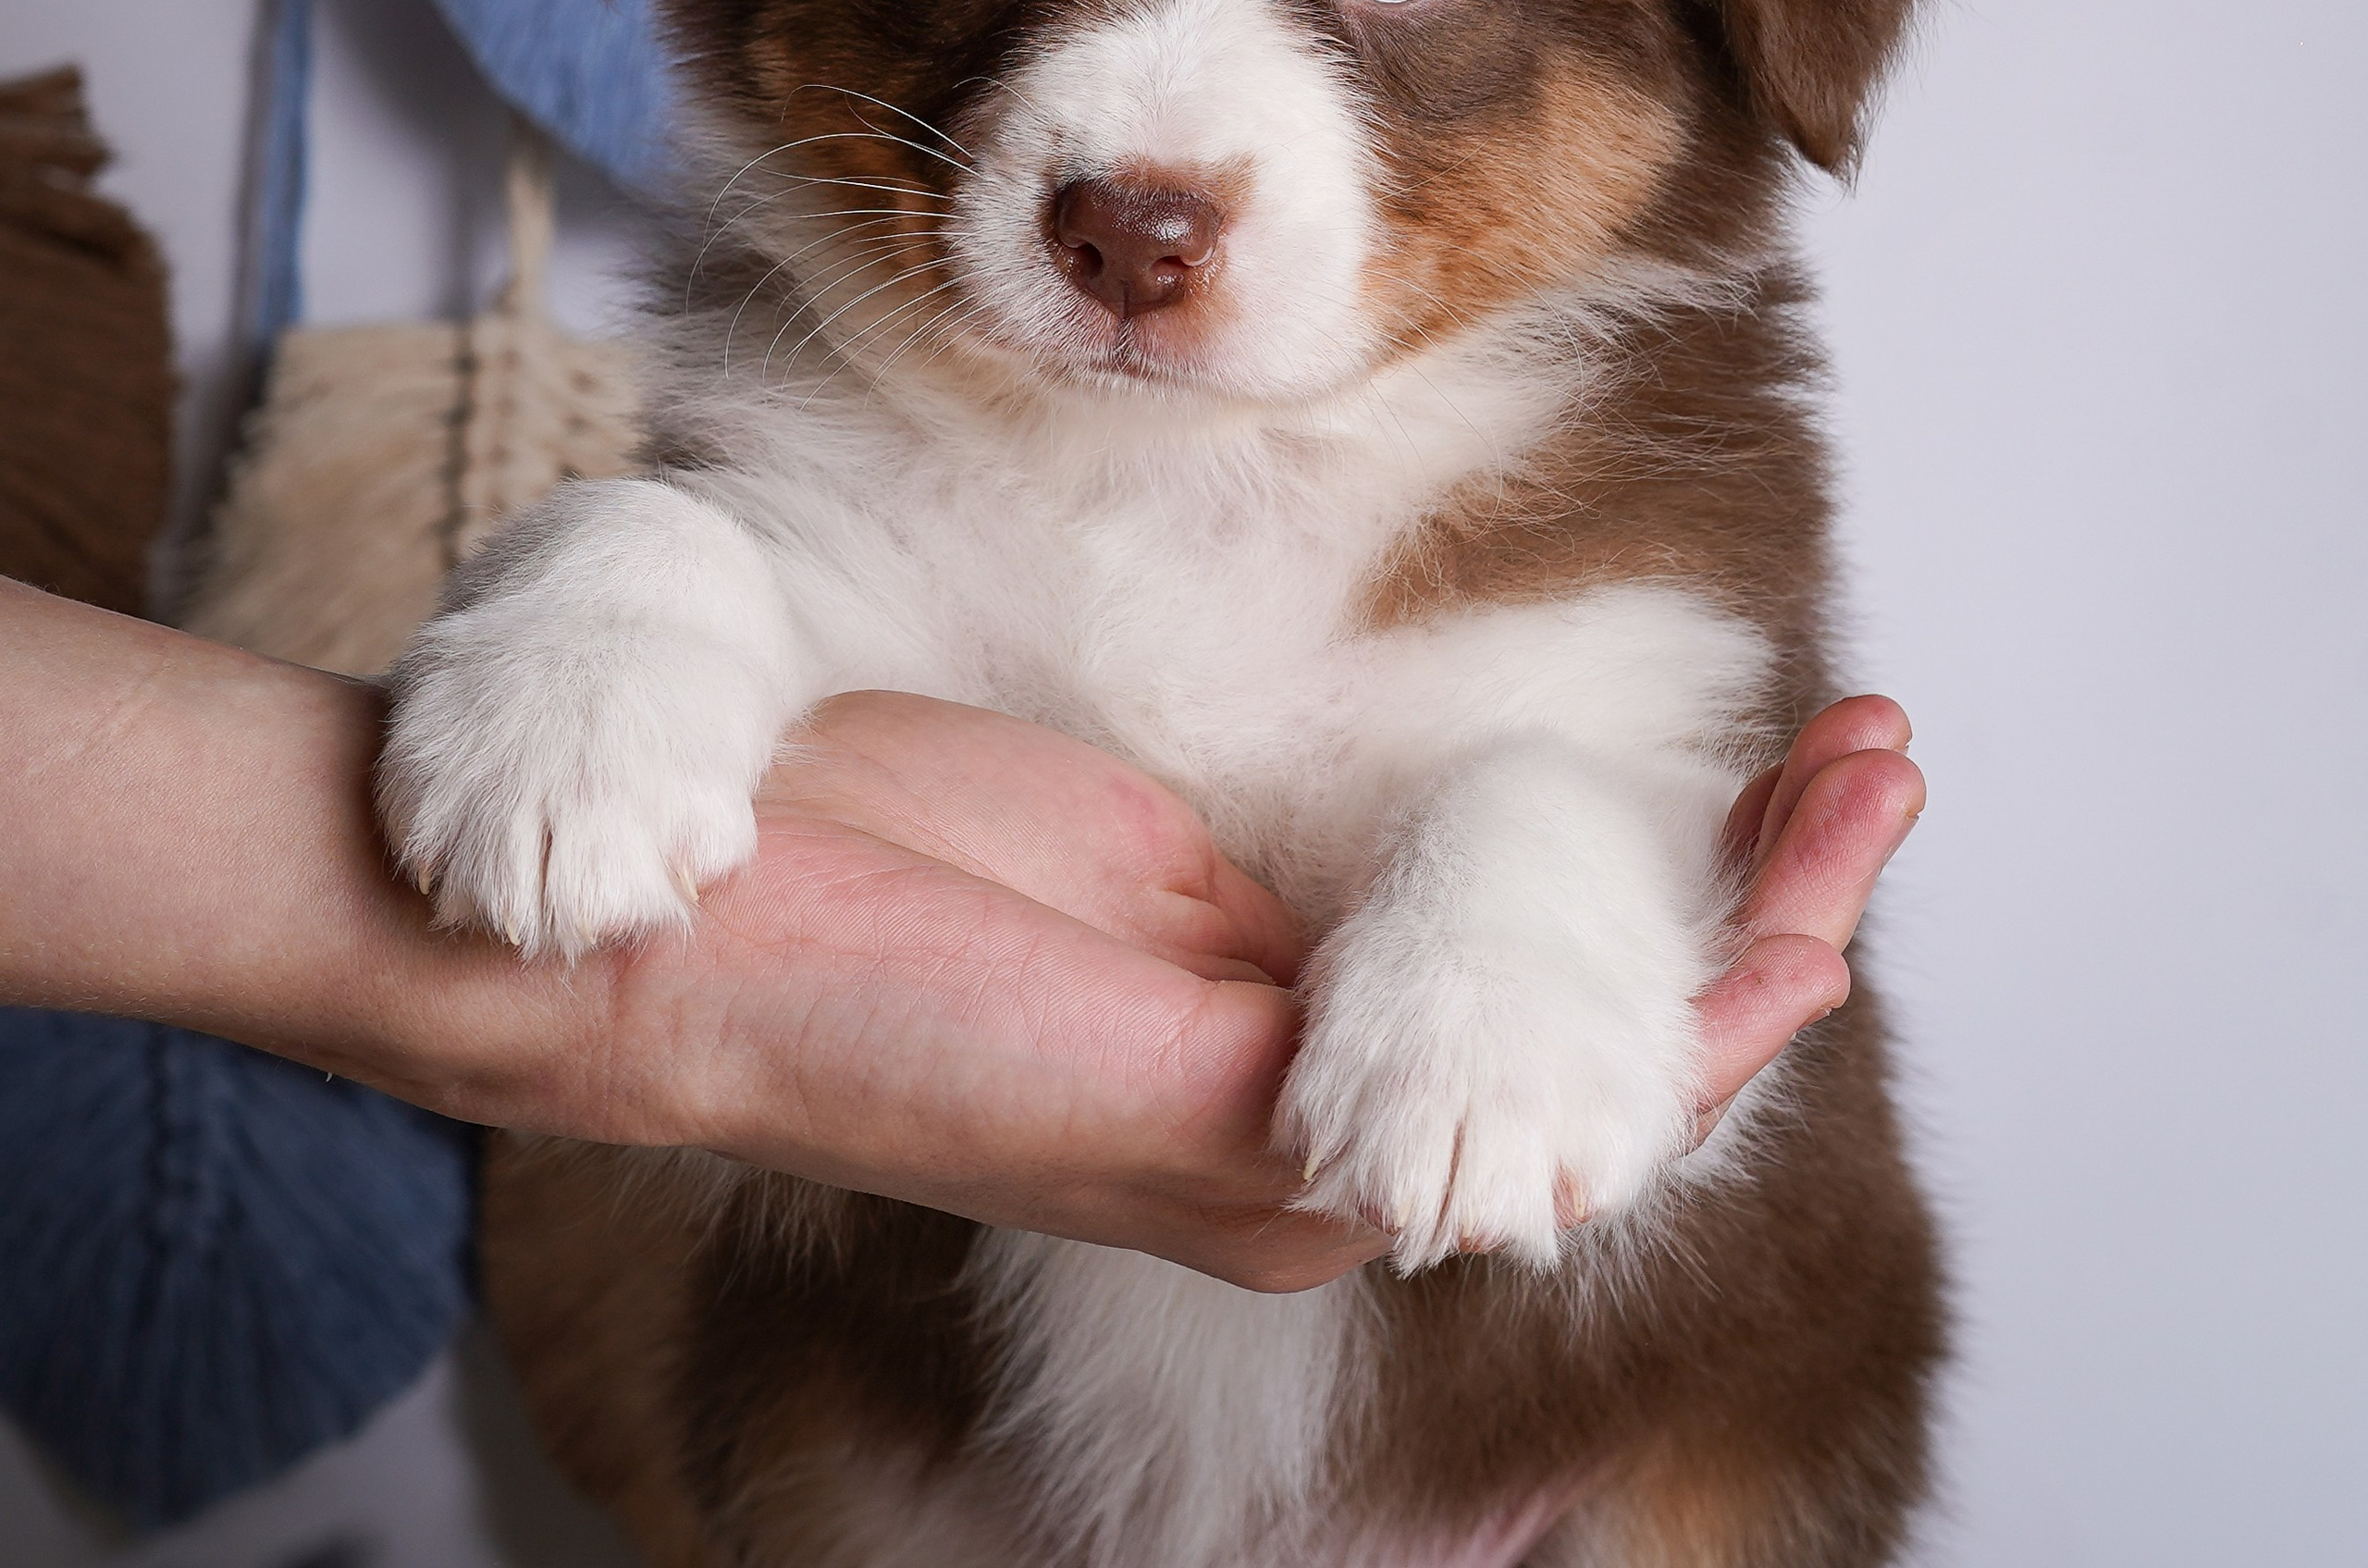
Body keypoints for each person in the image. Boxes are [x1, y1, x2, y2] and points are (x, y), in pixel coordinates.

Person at [0, 574, 1921, 1289]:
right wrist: (644, 588)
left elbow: (1629, 832)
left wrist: (1536, 899)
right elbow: (762, 571)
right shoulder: (830, 382)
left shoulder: (1614, 492)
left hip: (1592, 1473)